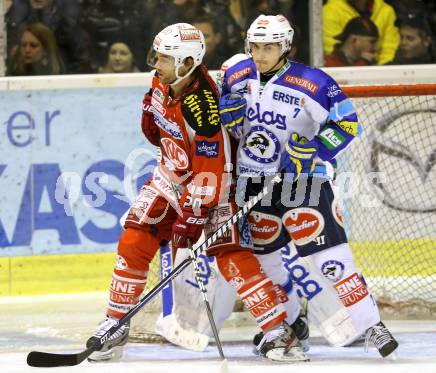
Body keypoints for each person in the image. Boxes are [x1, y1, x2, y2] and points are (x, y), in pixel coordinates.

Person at [87, 23, 308, 363]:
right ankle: (116, 323)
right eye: (157, 56)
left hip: (216, 186)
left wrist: (193, 214)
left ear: (186, 63)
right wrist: (150, 112)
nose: (155, 64)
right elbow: (157, 136)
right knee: (134, 239)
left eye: (163, 59)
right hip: (171, 177)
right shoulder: (163, 81)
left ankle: (278, 331)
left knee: (230, 253)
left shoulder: (203, 106)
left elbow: (212, 166)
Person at [219, 14, 399, 358]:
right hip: (253, 184)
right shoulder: (235, 76)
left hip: (304, 183)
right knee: (267, 264)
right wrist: (227, 123)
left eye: (268, 47)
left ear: (285, 45)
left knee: (332, 262)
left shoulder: (314, 82)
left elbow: (347, 124)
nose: (259, 54)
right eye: (254, 47)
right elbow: (232, 134)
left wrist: (315, 149)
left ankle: (371, 325)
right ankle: (288, 326)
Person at [323, 0, 399, 65]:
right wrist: (363, 63)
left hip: (382, 75)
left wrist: (379, 73)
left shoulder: (385, 11)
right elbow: (334, 53)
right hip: (343, 74)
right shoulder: (330, 12)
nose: (375, 47)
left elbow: (390, 49)